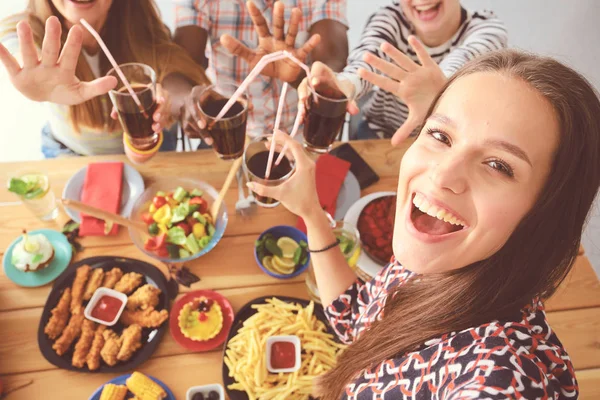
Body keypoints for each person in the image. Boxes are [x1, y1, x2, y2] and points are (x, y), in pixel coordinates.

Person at [249, 50, 600, 399]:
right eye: (441, 136)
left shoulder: (501, 377)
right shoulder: (440, 256)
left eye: (499, 165)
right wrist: (310, 209)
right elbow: (356, 320)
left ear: (547, 212)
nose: (443, 174)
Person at [0, 0, 210, 157]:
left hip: (146, 148)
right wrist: (32, 70)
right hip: (69, 154)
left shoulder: (146, 32)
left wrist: (165, 109)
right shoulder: (29, 32)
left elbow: (171, 73)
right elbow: (16, 45)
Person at [300, 0, 508, 146]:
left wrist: (442, 90)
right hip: (379, 132)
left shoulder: (487, 30)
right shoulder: (389, 18)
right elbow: (368, 56)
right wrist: (345, 84)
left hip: (444, 141)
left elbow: (464, 59)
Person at [173, 0, 348, 140]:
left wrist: (301, 78)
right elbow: (182, 65)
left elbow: (332, 59)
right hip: (227, 134)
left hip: (300, 131)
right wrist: (188, 100)